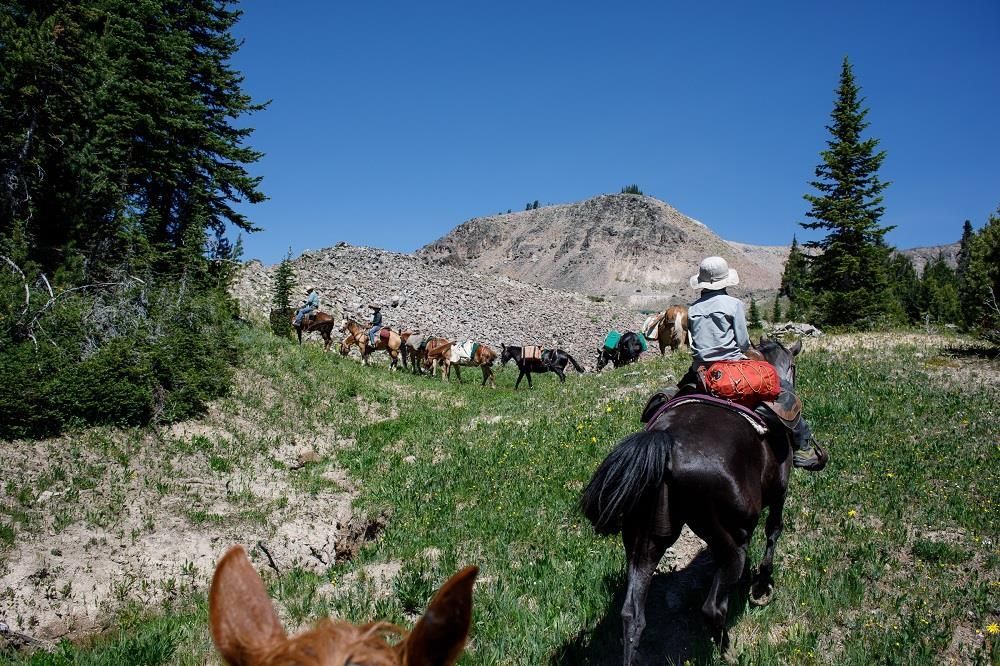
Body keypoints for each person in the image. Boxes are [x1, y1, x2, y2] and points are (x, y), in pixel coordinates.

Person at [680, 256, 827, 471]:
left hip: (701, 371)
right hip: (732, 368)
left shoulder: (692, 309)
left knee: (674, 392)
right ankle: (802, 447)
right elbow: (743, 343)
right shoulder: (734, 305)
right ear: (725, 281)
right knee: (783, 389)